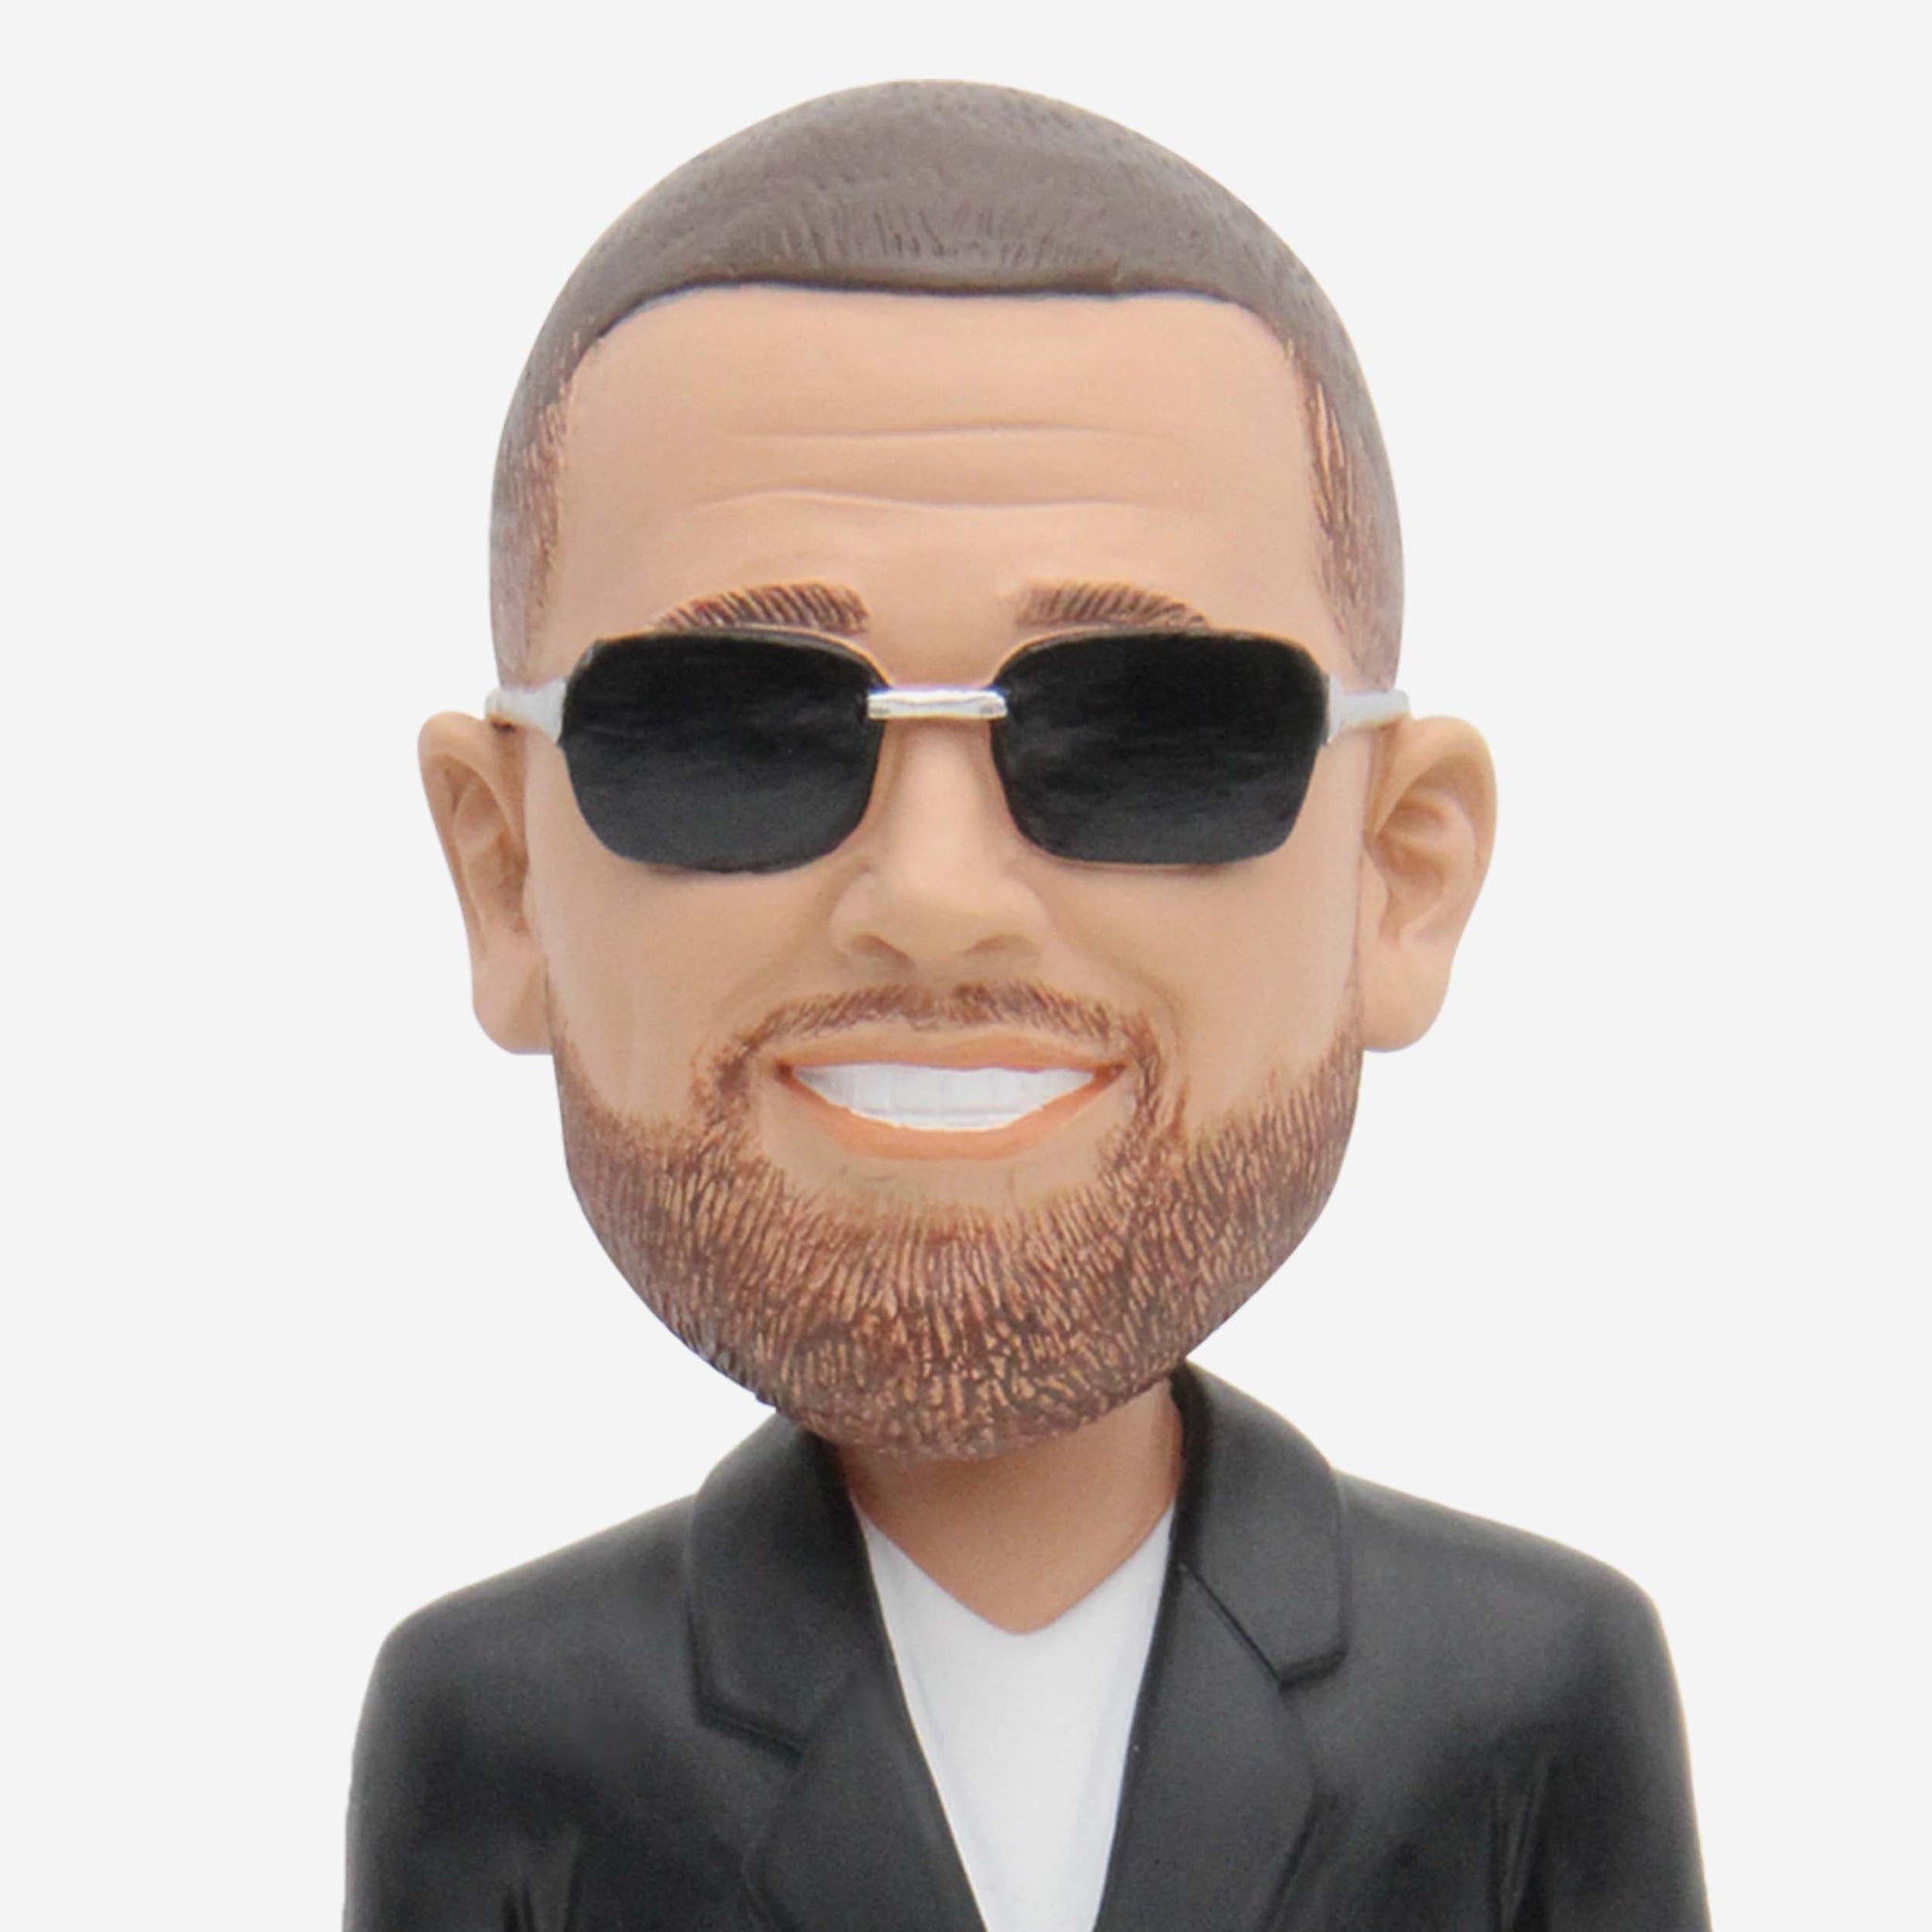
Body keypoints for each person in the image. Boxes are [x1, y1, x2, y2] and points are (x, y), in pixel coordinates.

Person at [348, 81, 1708, 1932]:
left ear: (1398, 873)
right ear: (507, 875)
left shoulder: (1528, 1691)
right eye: (737, 736)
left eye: (1146, 733)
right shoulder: (501, 1724)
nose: (933, 900)